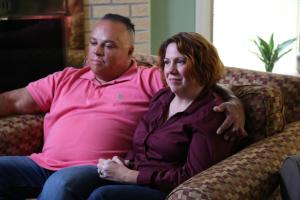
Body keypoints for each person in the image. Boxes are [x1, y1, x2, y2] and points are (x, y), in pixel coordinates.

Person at [0, 14, 245, 199]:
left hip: (95, 168)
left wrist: (232, 101)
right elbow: (12, 101)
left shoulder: (148, 78)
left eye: (108, 45)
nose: (97, 51)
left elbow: (202, 81)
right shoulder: (65, 78)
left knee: (62, 185)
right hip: (41, 163)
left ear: (129, 51)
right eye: (94, 42)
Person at [87, 32, 239, 200]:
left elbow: (194, 177)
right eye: (167, 62)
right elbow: (141, 147)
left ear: (203, 65)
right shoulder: (163, 97)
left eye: (180, 61)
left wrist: (128, 176)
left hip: (166, 191)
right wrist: (125, 163)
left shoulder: (212, 115)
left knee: (102, 196)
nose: (171, 70)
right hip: (137, 174)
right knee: (73, 183)